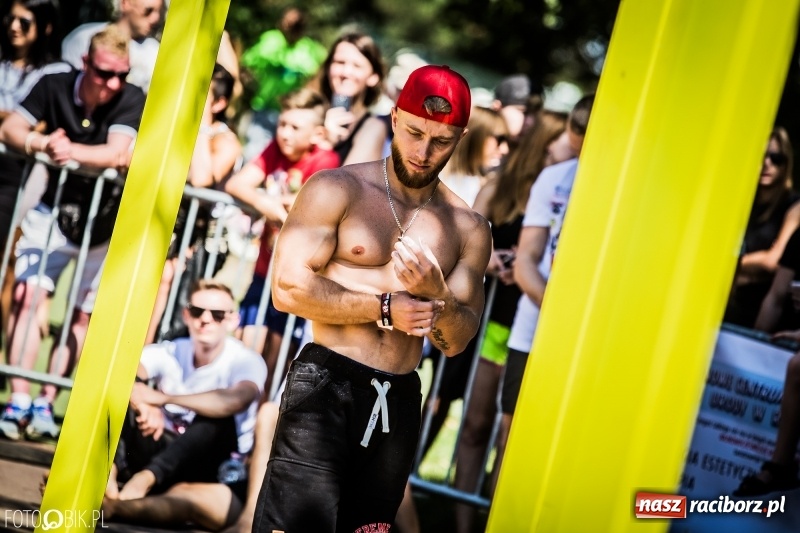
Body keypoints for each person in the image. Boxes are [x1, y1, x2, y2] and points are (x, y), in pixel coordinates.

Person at [252, 64, 491, 532]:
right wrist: (385, 308)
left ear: (460, 138)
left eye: (441, 141)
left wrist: (436, 294)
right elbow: (287, 289)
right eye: (415, 133)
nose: (423, 153)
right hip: (326, 383)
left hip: (398, 398)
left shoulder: (468, 227)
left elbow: (457, 340)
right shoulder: (336, 188)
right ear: (395, 117)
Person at [0, 25, 146, 441]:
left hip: (103, 221)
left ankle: (47, 401)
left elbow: (117, 153)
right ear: (85, 63)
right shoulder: (54, 83)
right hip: (51, 212)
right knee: (28, 298)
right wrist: (37, 142)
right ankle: (19, 399)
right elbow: (10, 128)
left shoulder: (132, 97)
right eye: (104, 73)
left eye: (122, 74)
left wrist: (64, 151)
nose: (113, 83)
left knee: (80, 317)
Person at [452, 110, 571, 533]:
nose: (573, 146)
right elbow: (460, 243)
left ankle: (496, 516)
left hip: (527, 322)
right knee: (477, 423)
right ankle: (463, 520)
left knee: (512, 435)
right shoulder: (499, 186)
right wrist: (491, 262)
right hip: (491, 323)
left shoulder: (571, 190)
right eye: (565, 138)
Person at [491, 94, 594, 492]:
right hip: (533, 332)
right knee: (511, 440)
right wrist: (563, 316)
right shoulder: (554, 179)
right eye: (577, 127)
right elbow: (525, 262)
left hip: (589, 343)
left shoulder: (632, 189)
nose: (582, 137)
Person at [106, 280, 266, 502]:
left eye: (217, 314)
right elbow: (120, 372)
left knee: (217, 419)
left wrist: (162, 398)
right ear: (186, 315)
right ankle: (108, 472)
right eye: (197, 311)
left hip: (210, 465)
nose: (205, 319)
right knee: (118, 398)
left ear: (232, 321)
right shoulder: (171, 350)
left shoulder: (246, 360)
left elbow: (236, 400)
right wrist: (142, 402)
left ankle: (146, 479)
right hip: (161, 446)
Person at [225, 87, 339, 393]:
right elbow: (237, 184)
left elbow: (307, 205)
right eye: (282, 124)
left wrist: (276, 201)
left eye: (294, 127)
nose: (284, 133)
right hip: (264, 273)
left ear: (316, 134)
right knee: (244, 353)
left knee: (274, 366)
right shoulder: (273, 150)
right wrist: (268, 205)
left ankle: (252, 433)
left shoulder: (325, 160)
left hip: (297, 278)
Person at [146, 63, 242, 344]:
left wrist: (200, 125)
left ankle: (141, 362)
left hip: (198, 238)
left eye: (202, 96)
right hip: (162, 224)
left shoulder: (225, 140)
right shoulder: (172, 126)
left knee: (167, 287)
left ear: (220, 103)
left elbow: (201, 178)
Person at [0, 0, 65, 248]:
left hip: (20, 173)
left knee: (10, 247)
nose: (14, 27)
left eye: (24, 22)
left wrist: (10, 122)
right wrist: (16, 120)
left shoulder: (55, 72)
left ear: (45, 27)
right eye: (10, 19)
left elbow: (43, 124)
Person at [725, 127, 800, 328]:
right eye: (762, 156)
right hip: (730, 298)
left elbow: (773, 261)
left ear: (786, 164)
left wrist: (729, 265)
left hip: (763, 306)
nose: (767, 164)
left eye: (776, 158)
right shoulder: (741, 201)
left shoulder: (794, 205)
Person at [239, 6, 326, 158]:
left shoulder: (310, 49)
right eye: (288, 23)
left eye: (296, 25)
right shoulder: (270, 40)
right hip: (265, 109)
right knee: (255, 153)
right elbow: (247, 63)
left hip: (293, 113)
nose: (291, 28)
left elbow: (319, 73)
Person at [310, 31, 388, 166]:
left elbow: (349, 185)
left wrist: (326, 145)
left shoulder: (373, 127)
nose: (346, 73)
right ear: (328, 68)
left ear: (373, 77)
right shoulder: (309, 112)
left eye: (357, 66)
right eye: (340, 62)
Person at [60, 0, 162, 93]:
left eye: (159, 11)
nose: (155, 18)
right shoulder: (83, 38)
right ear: (125, 3)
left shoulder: (156, 52)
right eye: (148, 10)